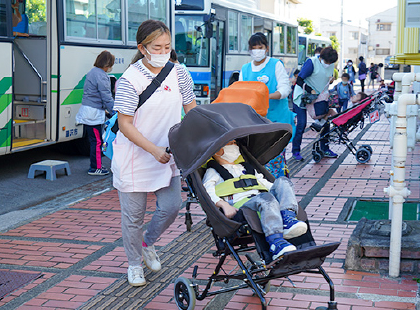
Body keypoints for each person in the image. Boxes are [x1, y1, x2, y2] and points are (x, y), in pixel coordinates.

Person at [112, 20, 197, 287]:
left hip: (167, 155)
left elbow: (191, 111)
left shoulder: (180, 73)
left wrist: (197, 140)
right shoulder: (130, 79)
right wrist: (152, 149)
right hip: (135, 156)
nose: (163, 51)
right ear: (142, 48)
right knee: (133, 217)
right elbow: (125, 124)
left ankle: (148, 243)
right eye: (157, 47)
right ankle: (134, 264)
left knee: (172, 206)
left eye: (167, 46)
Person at [203, 140, 308, 260]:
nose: (235, 147)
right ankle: (276, 243)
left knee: (283, 181)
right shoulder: (213, 171)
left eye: (235, 144)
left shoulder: (246, 167)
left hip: (263, 199)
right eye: (231, 144)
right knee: (265, 198)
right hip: (242, 205)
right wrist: (223, 205)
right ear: (217, 151)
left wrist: (283, 194)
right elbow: (207, 192)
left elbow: (267, 184)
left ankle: (287, 218)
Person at [239, 32, 292, 178]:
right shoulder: (245, 69)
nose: (257, 50)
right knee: (255, 160)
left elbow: (285, 90)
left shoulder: (276, 65)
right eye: (253, 47)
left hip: (276, 121)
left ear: (266, 48)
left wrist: (264, 97)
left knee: (275, 159)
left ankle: (278, 186)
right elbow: (241, 92)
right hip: (254, 123)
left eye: (260, 47)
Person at [292, 46, 339, 161]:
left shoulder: (330, 65)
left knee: (325, 122)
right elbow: (299, 80)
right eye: (327, 61)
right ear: (322, 57)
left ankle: (325, 148)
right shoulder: (311, 63)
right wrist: (310, 90)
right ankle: (296, 151)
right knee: (301, 124)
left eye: (330, 62)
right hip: (303, 97)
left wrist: (330, 80)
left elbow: (324, 78)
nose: (328, 64)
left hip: (318, 98)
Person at [75, 50, 115, 176]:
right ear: (107, 64)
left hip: (89, 111)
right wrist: (114, 111)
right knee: (97, 141)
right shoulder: (101, 75)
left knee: (94, 140)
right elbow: (106, 96)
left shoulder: (92, 72)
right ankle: (96, 168)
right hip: (93, 113)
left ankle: (95, 165)